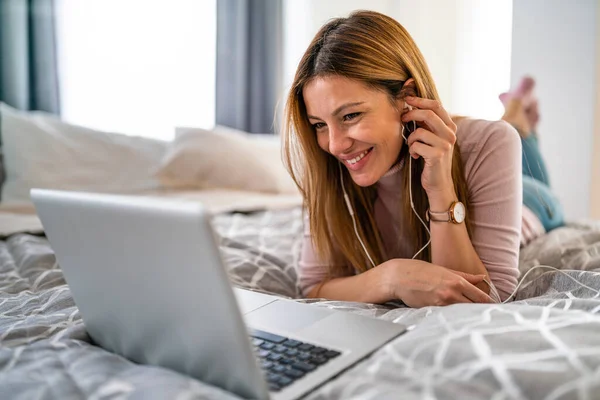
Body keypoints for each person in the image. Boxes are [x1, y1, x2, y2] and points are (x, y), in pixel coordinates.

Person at [283, 11, 521, 306]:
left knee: (523, 146)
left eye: (350, 115)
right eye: (319, 124)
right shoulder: (326, 159)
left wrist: (440, 189)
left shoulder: (490, 143)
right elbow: (314, 288)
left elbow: (486, 301)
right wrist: (390, 278)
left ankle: (520, 119)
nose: (335, 145)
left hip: (532, 205)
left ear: (406, 97)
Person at [499, 77, 564, 246]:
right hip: (520, 196)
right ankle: (521, 122)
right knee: (528, 177)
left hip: (528, 203)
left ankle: (517, 118)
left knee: (547, 197)